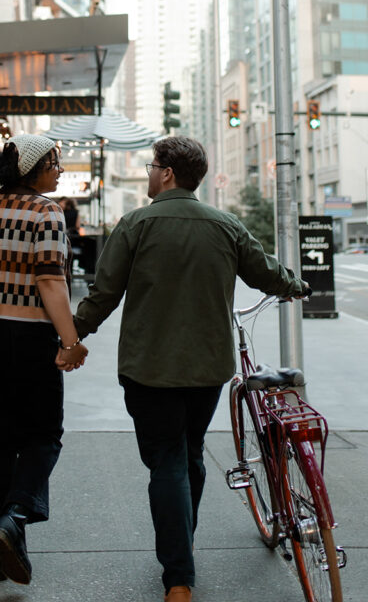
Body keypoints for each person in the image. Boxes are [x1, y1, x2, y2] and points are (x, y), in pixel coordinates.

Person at [71, 136, 309, 602]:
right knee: (190, 452)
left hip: (148, 369)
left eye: (151, 166)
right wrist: (297, 286)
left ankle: (178, 577)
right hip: (207, 369)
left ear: (168, 174)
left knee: (167, 462)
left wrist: (71, 335)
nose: (147, 173)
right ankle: (183, 540)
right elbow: (265, 273)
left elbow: (104, 294)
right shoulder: (226, 225)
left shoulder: (135, 224)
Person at [0, 133, 88, 585]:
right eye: (54, 162)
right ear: (32, 168)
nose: (60, 170)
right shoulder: (47, 213)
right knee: (44, 434)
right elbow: (50, 283)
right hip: (29, 336)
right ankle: (17, 514)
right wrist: (71, 341)